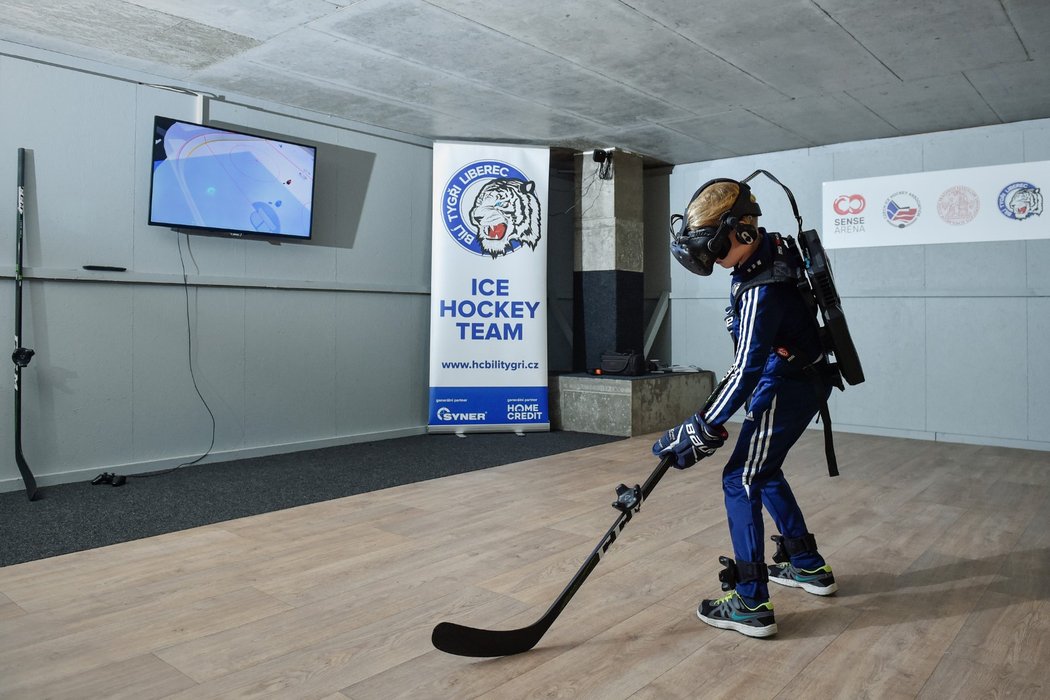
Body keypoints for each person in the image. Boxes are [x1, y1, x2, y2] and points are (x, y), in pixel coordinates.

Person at [653, 177, 838, 639]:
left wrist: (698, 428)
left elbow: (744, 370)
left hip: (787, 384)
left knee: (740, 477)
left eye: (714, 249)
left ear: (744, 233)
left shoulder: (761, 286)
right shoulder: (768, 253)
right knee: (763, 470)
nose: (711, 260)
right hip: (796, 378)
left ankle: (751, 602)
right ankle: (808, 567)